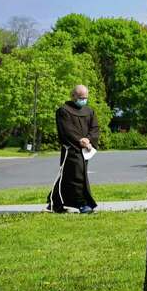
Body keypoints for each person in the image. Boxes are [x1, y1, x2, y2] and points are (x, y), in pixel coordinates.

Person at [46, 85, 100, 214]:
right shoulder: (63, 111)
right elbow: (67, 130)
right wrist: (79, 140)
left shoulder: (89, 111)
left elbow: (95, 127)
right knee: (77, 175)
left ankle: (55, 202)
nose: (83, 100)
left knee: (68, 176)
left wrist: (88, 139)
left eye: (85, 98)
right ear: (73, 96)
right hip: (71, 149)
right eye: (81, 97)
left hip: (85, 150)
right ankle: (81, 203)